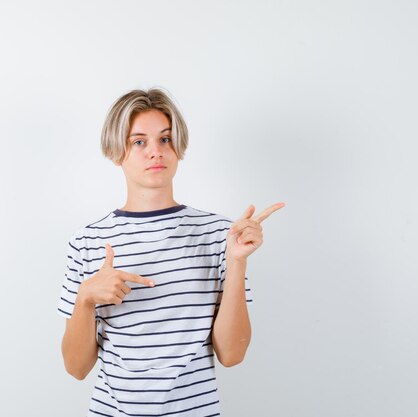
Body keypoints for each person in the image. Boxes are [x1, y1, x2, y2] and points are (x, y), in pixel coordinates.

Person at [57, 88, 284, 416]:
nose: (155, 152)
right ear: (116, 150)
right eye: (139, 142)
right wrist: (85, 300)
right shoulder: (88, 241)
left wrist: (236, 263)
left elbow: (231, 355)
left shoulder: (220, 234)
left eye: (165, 139)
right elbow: (76, 368)